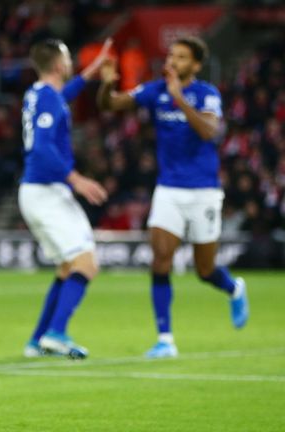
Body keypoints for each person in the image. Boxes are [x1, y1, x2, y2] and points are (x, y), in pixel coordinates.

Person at [97, 36, 249, 358]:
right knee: (160, 260)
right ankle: (165, 339)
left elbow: (209, 131)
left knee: (204, 270)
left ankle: (234, 288)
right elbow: (110, 104)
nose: (173, 61)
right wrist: (106, 85)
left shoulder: (207, 95)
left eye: (181, 57)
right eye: (171, 55)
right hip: (168, 190)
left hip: (204, 192)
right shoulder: (154, 91)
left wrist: (179, 99)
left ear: (195, 65)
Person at [19, 38, 113, 360]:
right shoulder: (48, 97)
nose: (71, 61)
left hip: (35, 191)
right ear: (59, 64)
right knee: (86, 263)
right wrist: (76, 179)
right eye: (69, 57)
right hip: (46, 191)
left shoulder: (39, 93)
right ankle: (57, 334)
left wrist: (90, 72)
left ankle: (38, 340)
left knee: (66, 267)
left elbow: (64, 96)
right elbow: (44, 146)